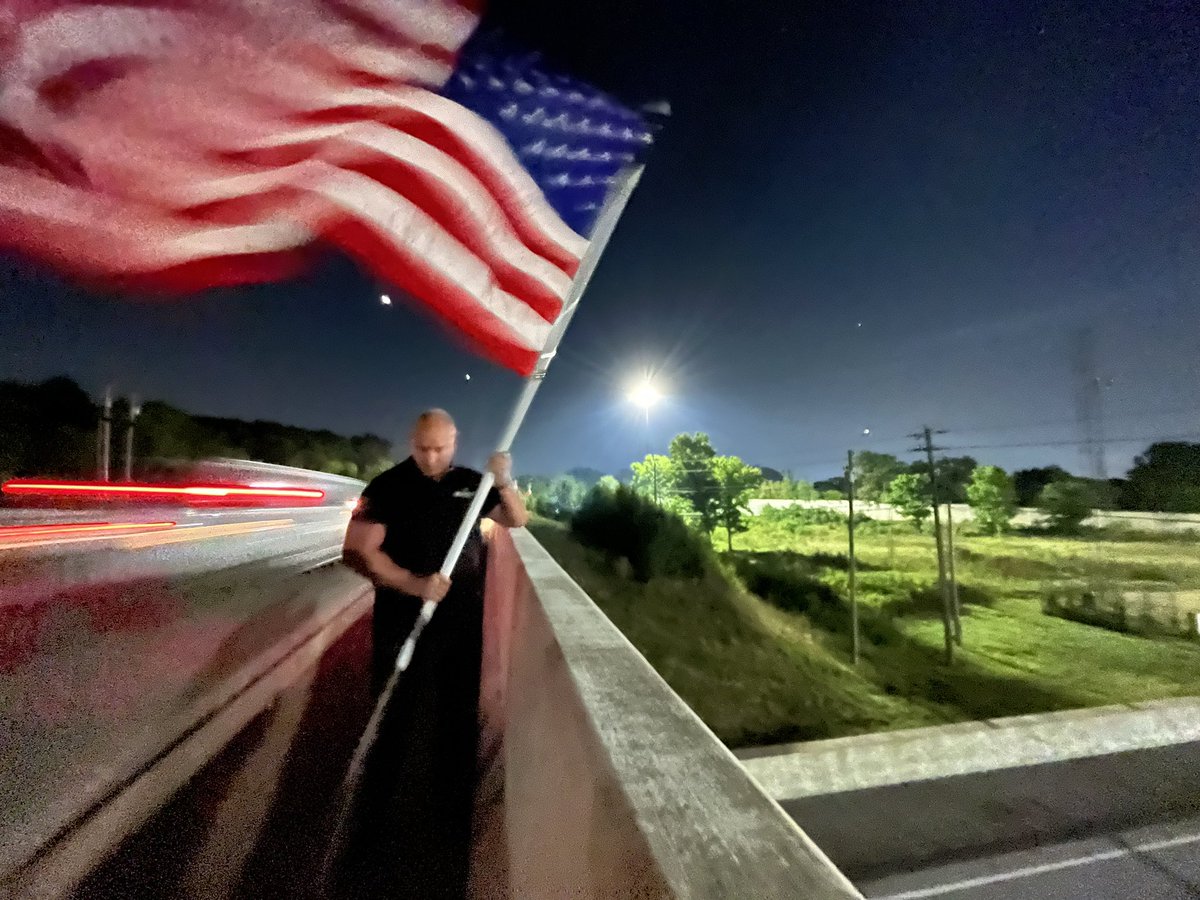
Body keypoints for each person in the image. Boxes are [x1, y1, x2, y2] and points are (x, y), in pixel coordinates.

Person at [338, 408, 528, 898]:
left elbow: (517, 519)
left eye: (440, 447)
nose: (430, 456)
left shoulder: (471, 482)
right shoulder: (387, 486)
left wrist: (503, 481)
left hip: (462, 623)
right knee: (393, 718)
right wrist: (413, 583)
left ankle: (450, 819)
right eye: (423, 447)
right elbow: (357, 550)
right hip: (403, 622)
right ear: (412, 441)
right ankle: (368, 825)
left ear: (454, 443)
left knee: (456, 720)